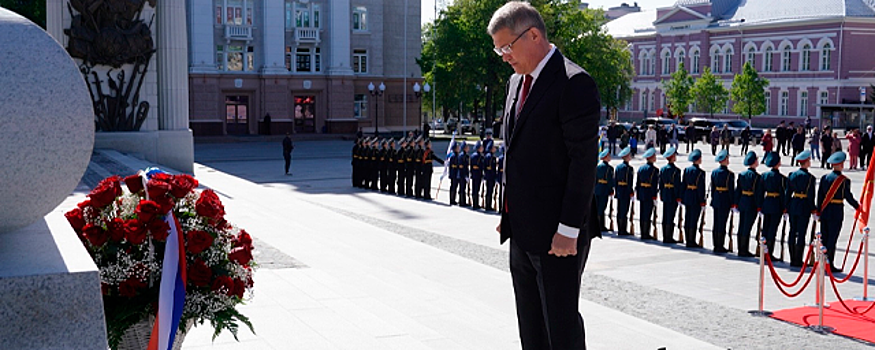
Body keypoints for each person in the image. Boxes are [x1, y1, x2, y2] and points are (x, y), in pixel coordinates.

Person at [490, 3, 601, 348]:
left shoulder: (574, 83)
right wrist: (508, 210)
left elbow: (583, 163)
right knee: (531, 328)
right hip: (521, 230)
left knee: (560, 327)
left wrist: (568, 231)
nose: (504, 56)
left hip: (559, 236)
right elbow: (517, 154)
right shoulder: (515, 83)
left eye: (507, 47)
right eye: (499, 50)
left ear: (534, 35)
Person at [817, 151, 860, 273]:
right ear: (841, 164)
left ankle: (822, 262)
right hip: (836, 211)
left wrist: (818, 210)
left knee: (824, 238)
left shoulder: (825, 178)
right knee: (832, 238)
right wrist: (857, 206)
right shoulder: (844, 180)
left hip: (825, 211)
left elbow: (820, 196)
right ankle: (829, 263)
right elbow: (848, 196)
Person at [786, 150, 816, 267]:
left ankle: (792, 257)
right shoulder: (810, 178)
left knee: (792, 231)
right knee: (801, 233)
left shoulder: (792, 175)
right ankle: (798, 259)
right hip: (804, 206)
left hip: (793, 204)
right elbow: (810, 195)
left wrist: (786, 206)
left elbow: (787, 193)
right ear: (806, 162)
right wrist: (813, 209)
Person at [734, 152, 763, 257]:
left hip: (742, 201)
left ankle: (740, 247)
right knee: (747, 226)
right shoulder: (757, 177)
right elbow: (758, 193)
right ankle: (744, 249)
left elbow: (738, 190)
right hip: (751, 203)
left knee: (741, 226)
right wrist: (759, 206)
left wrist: (736, 203)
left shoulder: (742, 174)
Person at [761, 152, 787, 261]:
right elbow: (782, 193)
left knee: (765, 228)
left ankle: (763, 250)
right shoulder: (781, 178)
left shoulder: (764, 176)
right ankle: (769, 253)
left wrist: (760, 205)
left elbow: (760, 192)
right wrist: (785, 207)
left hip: (767, 203)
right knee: (772, 229)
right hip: (776, 205)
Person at [711, 149, 735, 254]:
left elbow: (712, 188)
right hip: (725, 200)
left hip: (716, 199)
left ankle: (716, 244)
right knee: (722, 223)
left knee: (716, 223)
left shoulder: (714, 172)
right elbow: (730, 190)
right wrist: (732, 202)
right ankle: (720, 245)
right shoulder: (730, 174)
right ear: (725, 160)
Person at [682, 149, 706, 248]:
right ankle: (691, 240)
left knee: (687, 218)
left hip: (687, 196)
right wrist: (702, 201)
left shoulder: (687, 170)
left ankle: (688, 239)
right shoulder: (701, 173)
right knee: (694, 219)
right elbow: (701, 188)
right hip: (696, 197)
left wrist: (682, 196)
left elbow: (683, 184)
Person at [659, 146, 682, 244]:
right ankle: (669, 237)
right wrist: (679, 196)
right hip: (673, 194)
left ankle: (665, 235)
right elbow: (677, 185)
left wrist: (661, 193)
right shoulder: (676, 171)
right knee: (671, 216)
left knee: (665, 216)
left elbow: (660, 183)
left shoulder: (663, 169)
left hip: (665, 194)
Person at [636, 148, 659, 240]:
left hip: (642, 193)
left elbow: (638, 183)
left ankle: (643, 232)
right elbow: (654, 184)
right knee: (648, 213)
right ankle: (646, 233)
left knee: (642, 213)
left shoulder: (641, 168)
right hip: (649, 193)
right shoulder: (654, 170)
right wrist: (654, 195)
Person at [615, 146, 634, 236]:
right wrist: (631, 191)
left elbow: (615, 180)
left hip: (619, 190)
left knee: (619, 210)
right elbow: (629, 181)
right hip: (626, 191)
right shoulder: (629, 169)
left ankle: (620, 229)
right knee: (624, 210)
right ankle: (623, 229)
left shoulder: (618, 167)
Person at [595, 149, 615, 233]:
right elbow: (610, 180)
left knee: (597, 207)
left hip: (597, 189)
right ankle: (601, 225)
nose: (610, 157)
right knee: (602, 207)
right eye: (609, 156)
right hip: (604, 189)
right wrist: (611, 189)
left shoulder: (597, 167)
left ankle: (597, 225)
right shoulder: (609, 168)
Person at [470, 141, 484, 209]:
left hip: (474, 174)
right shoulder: (478, 156)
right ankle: (475, 204)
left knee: (475, 189)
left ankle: (475, 203)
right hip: (477, 174)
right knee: (476, 189)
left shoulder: (474, 155)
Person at [484, 145, 498, 211]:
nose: (495, 149)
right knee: (489, 191)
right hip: (490, 176)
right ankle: (488, 205)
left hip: (489, 176)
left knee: (490, 191)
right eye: (494, 148)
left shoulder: (491, 156)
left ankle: (488, 205)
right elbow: (489, 168)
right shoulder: (490, 157)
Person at [457, 142, 471, 206]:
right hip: (461, 174)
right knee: (462, 188)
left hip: (465, 173)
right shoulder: (461, 156)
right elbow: (461, 166)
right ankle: (461, 201)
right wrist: (465, 175)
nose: (468, 148)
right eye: (467, 147)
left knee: (464, 188)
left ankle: (464, 201)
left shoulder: (467, 156)